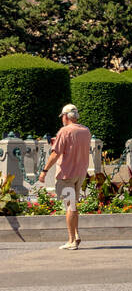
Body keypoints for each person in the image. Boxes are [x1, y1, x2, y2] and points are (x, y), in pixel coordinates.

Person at [40, 105, 91, 251]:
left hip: (66, 174)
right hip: (80, 173)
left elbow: (55, 154)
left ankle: (71, 240)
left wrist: (44, 171)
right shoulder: (85, 131)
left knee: (70, 206)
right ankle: (76, 234)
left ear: (66, 116)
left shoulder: (64, 131)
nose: (62, 119)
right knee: (73, 205)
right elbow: (74, 145)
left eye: (62, 116)